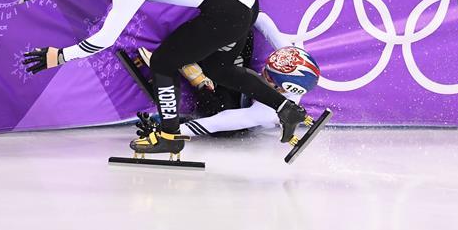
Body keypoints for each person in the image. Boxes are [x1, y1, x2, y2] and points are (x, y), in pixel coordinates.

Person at [2, 0, 310, 159]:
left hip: (228, 11)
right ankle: (286, 109)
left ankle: (168, 136)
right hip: (242, 2)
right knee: (218, 68)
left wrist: (60, 56)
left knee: (163, 61)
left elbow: (104, 39)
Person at [137, 46, 321, 138]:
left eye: (269, 77)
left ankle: (200, 80)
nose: (264, 73)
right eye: (266, 69)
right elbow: (263, 20)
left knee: (226, 127)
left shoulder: (266, 113)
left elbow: (219, 122)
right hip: (241, 83)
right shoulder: (290, 58)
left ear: (284, 89)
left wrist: (172, 132)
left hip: (234, 108)